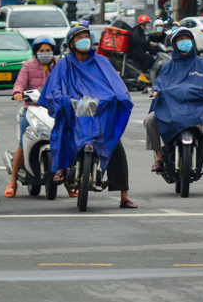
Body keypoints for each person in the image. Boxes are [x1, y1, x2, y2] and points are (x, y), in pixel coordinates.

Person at [40, 25, 138, 209]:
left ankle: (124, 195)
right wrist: (63, 101)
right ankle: (60, 168)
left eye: (86, 36)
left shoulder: (101, 61)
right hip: (73, 113)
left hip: (100, 113)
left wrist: (118, 98)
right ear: (71, 44)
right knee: (62, 130)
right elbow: (54, 89)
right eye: (79, 38)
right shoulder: (63, 64)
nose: (84, 40)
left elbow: (117, 86)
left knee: (115, 144)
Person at [145, 28, 203, 195]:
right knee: (149, 120)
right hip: (172, 107)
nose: (184, 42)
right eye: (180, 40)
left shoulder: (201, 63)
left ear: (192, 42)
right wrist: (156, 91)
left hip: (197, 108)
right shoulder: (168, 66)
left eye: (187, 39)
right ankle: (159, 158)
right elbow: (159, 83)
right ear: (175, 44)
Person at [6, 36, 58, 198]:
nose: (45, 54)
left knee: (67, 140)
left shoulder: (58, 66)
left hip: (54, 110)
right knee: (22, 143)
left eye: (48, 51)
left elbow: (67, 83)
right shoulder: (28, 66)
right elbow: (20, 82)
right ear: (36, 52)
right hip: (32, 110)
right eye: (41, 51)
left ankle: (72, 182)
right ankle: (13, 181)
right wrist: (17, 93)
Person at [130, 14, 158, 84]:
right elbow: (138, 40)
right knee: (149, 58)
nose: (148, 24)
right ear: (143, 23)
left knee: (150, 56)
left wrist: (154, 51)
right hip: (134, 52)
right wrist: (149, 42)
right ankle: (142, 75)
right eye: (147, 22)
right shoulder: (136, 30)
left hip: (139, 51)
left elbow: (145, 44)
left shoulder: (141, 31)